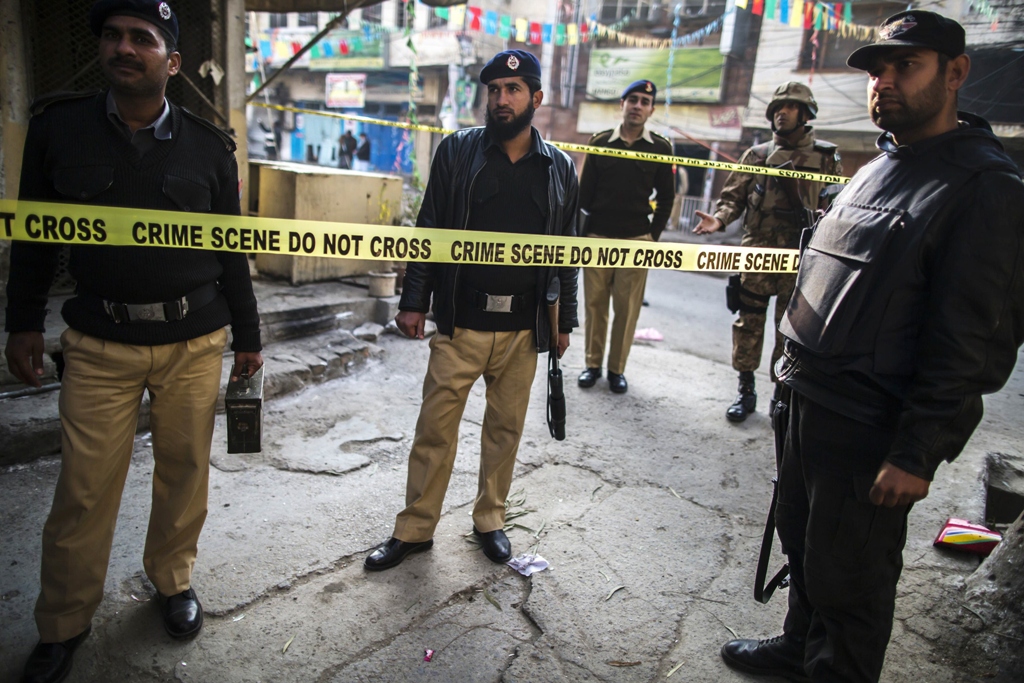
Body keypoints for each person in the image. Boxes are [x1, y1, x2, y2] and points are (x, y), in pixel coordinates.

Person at [721, 11, 1024, 683]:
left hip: (870, 426)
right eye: (876, 71)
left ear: (955, 73)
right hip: (806, 397)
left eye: (904, 66)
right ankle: (799, 644)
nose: (883, 82)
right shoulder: (877, 166)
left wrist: (917, 450)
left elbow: (973, 339)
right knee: (803, 543)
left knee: (850, 581)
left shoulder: (984, 186)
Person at [4, 2, 263, 682]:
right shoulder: (59, 130)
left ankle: (172, 582)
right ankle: (62, 623)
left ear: (171, 61)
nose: (125, 48)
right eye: (114, 36)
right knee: (84, 490)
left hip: (195, 340)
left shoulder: (210, 147)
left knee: (185, 474)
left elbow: (232, 249)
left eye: (142, 39)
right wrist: (22, 322)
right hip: (98, 342)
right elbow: (33, 237)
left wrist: (250, 336)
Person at [364, 49, 579, 571]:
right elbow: (431, 228)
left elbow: (569, 249)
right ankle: (415, 529)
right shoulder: (458, 152)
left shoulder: (560, 169)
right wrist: (413, 302)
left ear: (536, 98)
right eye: (494, 91)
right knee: (434, 429)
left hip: (524, 330)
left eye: (513, 90)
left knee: (504, 430)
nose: (502, 100)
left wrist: (564, 321)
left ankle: (491, 520)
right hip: (460, 322)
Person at [693, 82, 841, 422]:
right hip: (757, 251)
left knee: (789, 330)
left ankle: (781, 392)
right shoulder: (756, 155)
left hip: (801, 257)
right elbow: (732, 198)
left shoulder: (826, 157)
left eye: (790, 108)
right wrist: (719, 219)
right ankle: (745, 390)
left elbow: (834, 204)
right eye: (777, 108)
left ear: (805, 114)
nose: (782, 113)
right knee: (749, 321)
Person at [576, 80, 674, 394]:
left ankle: (616, 369)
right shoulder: (600, 142)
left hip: (636, 240)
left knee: (627, 308)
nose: (637, 105)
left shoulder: (660, 148)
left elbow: (667, 198)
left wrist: (651, 238)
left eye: (645, 101)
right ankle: (592, 365)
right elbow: (583, 197)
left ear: (651, 110)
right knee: (594, 305)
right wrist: (580, 239)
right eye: (633, 99)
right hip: (597, 238)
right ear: (622, 104)